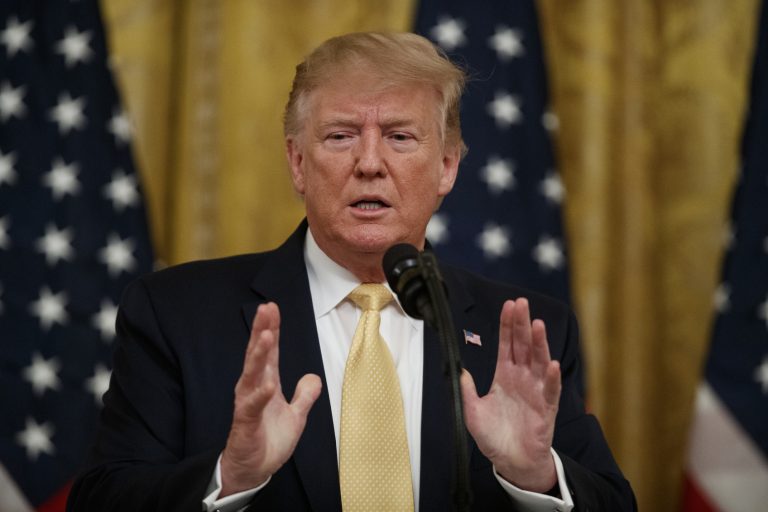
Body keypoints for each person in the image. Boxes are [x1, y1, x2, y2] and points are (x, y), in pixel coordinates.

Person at [67, 32, 635, 511]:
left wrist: (536, 477)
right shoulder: (177, 314)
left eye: (399, 137)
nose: (368, 163)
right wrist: (229, 477)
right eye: (340, 136)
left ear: (446, 166)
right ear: (297, 162)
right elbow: (99, 499)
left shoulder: (525, 332)